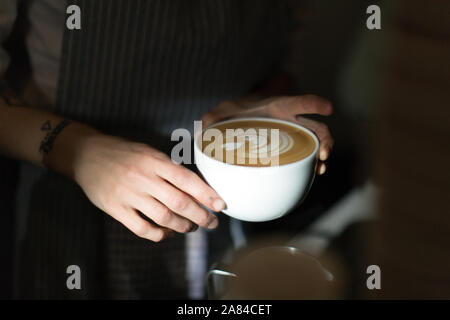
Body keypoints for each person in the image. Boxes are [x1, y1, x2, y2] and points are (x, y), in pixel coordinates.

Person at [0, 0, 333, 299]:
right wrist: (77, 150)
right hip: (67, 206)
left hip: (227, 211)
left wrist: (258, 103)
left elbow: (284, 54)